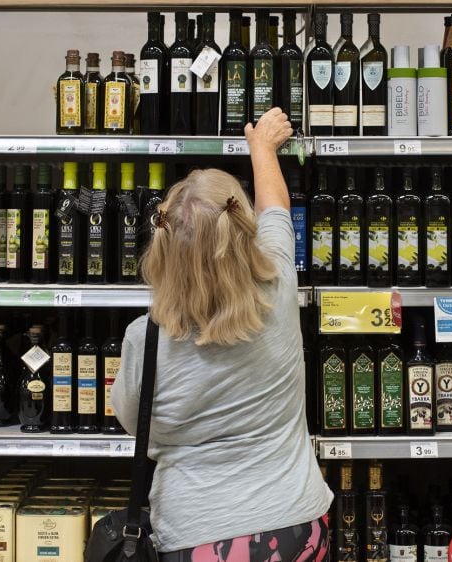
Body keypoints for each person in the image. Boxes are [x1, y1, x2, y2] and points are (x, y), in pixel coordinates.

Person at [112, 107, 332, 561]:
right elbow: (276, 209)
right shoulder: (277, 291)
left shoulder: (145, 338)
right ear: (242, 229)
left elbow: (138, 426)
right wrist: (262, 147)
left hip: (196, 534)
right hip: (294, 523)